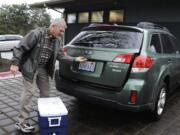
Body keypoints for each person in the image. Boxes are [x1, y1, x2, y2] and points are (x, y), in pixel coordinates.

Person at [10, 18, 87, 133]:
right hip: (30, 67)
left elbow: (61, 56)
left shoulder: (58, 40)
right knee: (29, 92)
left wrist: (75, 59)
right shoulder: (36, 34)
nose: (62, 33)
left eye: (63, 31)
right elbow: (19, 48)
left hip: (43, 69)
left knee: (46, 92)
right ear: (53, 26)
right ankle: (21, 122)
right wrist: (15, 63)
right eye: (61, 31)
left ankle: (43, 114)